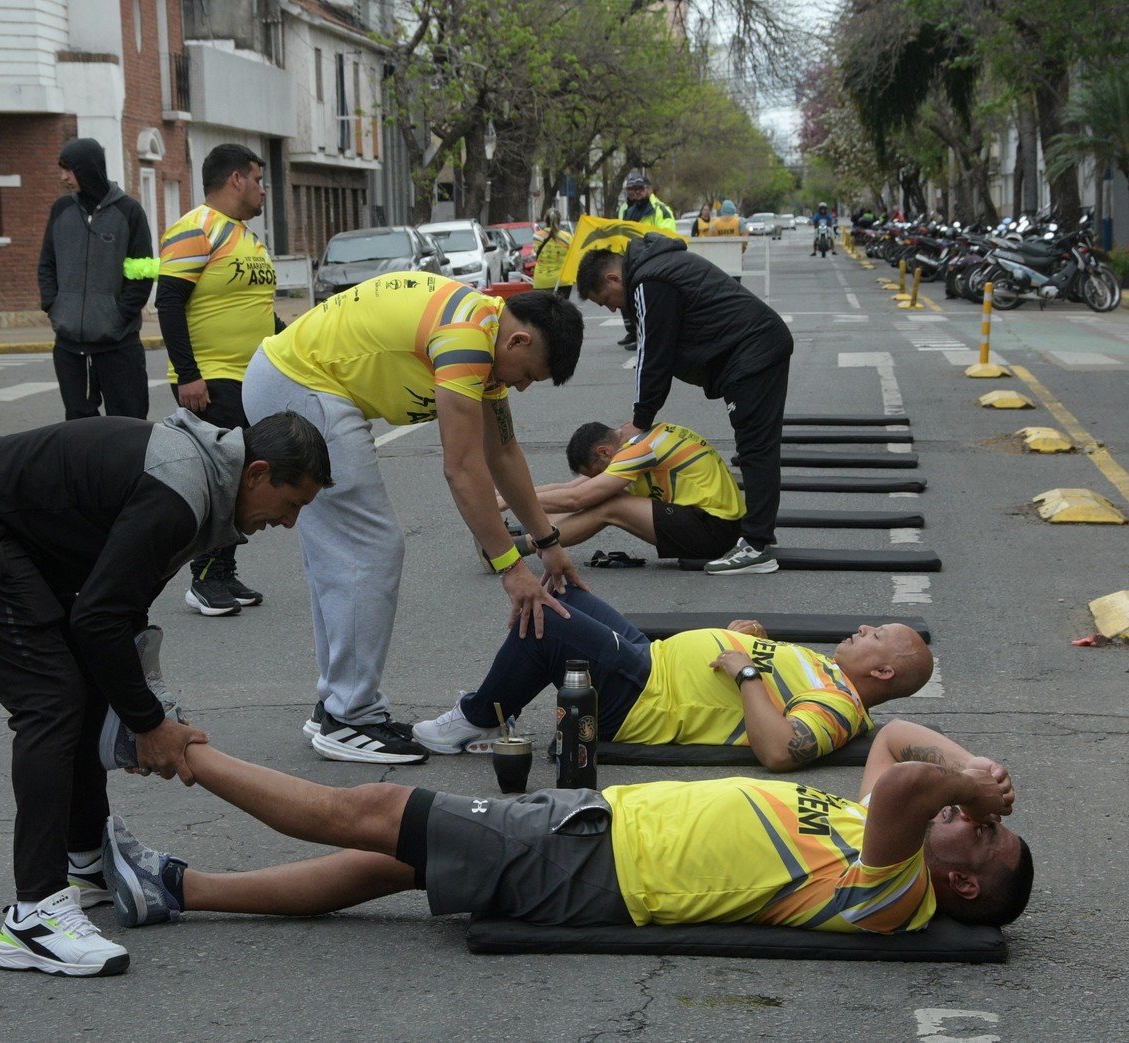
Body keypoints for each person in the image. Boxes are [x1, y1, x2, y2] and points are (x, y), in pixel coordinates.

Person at [0, 409, 332, 978]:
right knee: (50, 700)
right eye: (293, 502)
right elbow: (99, 617)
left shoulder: (202, 485)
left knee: (77, 684)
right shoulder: (179, 494)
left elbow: (117, 613)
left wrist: (145, 709)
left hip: (4, 527)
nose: (291, 521)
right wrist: (150, 725)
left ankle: (85, 864)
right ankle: (34, 916)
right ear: (255, 473)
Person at [96, 716, 1030, 936]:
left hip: (593, 861)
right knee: (388, 861)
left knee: (371, 809)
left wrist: (963, 786)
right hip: (595, 831)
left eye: (979, 834)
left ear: (962, 885)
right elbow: (902, 741)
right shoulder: (876, 826)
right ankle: (172, 888)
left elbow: (911, 777)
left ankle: (169, 747)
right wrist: (977, 767)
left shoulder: (896, 892)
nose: (967, 817)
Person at [242, 274, 585, 764]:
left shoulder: (486, 333)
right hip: (301, 383)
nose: (522, 386)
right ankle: (349, 716)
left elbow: (503, 452)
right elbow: (463, 467)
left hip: (298, 379)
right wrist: (511, 568)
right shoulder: (468, 339)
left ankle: (337, 707)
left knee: (343, 553)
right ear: (519, 340)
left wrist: (547, 541)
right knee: (369, 547)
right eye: (528, 373)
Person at [413, 586, 930, 763]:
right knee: (564, 592)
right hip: (651, 660)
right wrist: (748, 639)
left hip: (644, 698)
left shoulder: (841, 705)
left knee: (547, 616)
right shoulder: (824, 668)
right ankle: (495, 706)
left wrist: (746, 667)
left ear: (883, 671)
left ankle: (479, 716)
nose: (864, 626)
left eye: (877, 634)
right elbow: (769, 680)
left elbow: (780, 750)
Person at [576, 236, 792, 576]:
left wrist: (641, 418)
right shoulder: (656, 270)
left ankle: (757, 545)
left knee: (756, 450)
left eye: (607, 301)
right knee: (758, 448)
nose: (613, 310)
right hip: (757, 346)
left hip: (752, 352)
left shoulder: (649, 281)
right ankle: (759, 535)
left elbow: (652, 356)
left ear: (613, 279)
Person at [157, 143, 282, 617]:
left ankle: (222, 571)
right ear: (235, 179)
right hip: (210, 378)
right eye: (258, 179)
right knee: (225, 477)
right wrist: (189, 376)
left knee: (245, 475)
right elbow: (168, 301)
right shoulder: (196, 229)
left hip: (251, 376)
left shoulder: (247, 238)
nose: (262, 190)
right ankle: (203, 578)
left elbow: (259, 314)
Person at [504, 421, 743, 562]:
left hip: (714, 531)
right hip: (708, 521)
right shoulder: (637, 441)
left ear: (603, 452)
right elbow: (570, 488)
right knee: (600, 494)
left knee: (609, 504)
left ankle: (514, 548)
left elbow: (577, 499)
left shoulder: (640, 449)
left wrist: (508, 501)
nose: (596, 479)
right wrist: (500, 496)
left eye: (596, 473)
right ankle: (520, 532)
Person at [37, 138, 155, 423]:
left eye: (69, 170)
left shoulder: (129, 212)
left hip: (118, 345)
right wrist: (54, 306)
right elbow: (47, 264)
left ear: (88, 169)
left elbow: (143, 273)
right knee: (79, 427)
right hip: (70, 348)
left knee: (129, 424)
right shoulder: (61, 210)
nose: (63, 177)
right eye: (62, 170)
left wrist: (117, 316)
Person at [616, 172, 675, 349]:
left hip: (651, 259)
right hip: (629, 259)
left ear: (649, 189)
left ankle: (644, 337)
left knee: (647, 301)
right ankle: (634, 333)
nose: (635, 192)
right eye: (631, 189)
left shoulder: (660, 210)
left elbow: (667, 235)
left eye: (639, 188)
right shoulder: (625, 209)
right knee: (628, 299)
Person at [530, 208, 573, 297]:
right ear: (559, 220)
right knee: (560, 308)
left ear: (546, 220)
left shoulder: (537, 236)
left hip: (541, 281)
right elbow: (572, 256)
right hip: (562, 281)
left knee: (544, 309)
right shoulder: (567, 237)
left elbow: (535, 252)